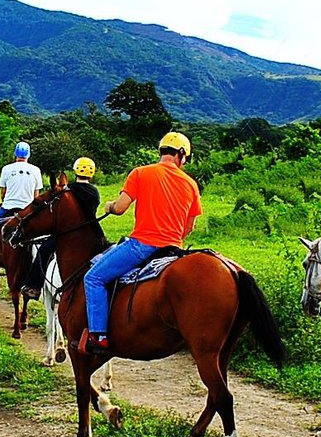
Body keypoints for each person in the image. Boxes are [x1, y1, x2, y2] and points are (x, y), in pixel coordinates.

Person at [82, 133, 202, 356]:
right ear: (182, 155)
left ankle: (98, 336)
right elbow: (190, 227)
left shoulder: (140, 173)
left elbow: (120, 208)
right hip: (173, 250)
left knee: (94, 277)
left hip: (142, 246)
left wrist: (109, 205)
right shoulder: (191, 184)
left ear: (162, 151)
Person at [21, 156, 102, 299]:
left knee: (44, 251)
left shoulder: (68, 191)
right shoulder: (94, 192)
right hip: (90, 233)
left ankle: (34, 286)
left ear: (75, 171)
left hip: (67, 233)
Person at [0, 142, 45, 270]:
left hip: (8, 207)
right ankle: (39, 264)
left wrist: (6, 200)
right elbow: (36, 195)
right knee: (42, 234)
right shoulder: (36, 170)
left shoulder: (7, 169)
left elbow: (3, 192)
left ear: (15, 154)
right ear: (28, 155)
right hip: (27, 210)